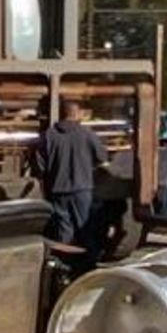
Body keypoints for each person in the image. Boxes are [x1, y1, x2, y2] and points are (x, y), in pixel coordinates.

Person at [33, 98, 112, 273]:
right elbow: (102, 157)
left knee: (64, 228)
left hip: (58, 190)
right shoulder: (87, 134)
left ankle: (63, 268)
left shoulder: (48, 136)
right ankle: (86, 268)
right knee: (85, 227)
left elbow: (40, 165)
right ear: (76, 114)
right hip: (82, 189)